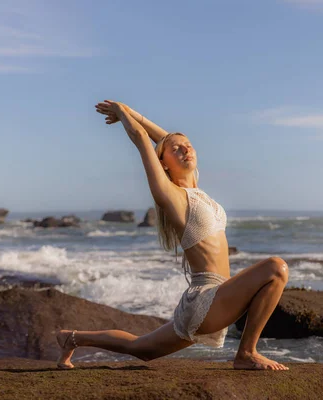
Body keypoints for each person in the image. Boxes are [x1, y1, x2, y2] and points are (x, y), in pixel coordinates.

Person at [56, 100, 289, 371]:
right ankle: (246, 353)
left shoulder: (197, 190)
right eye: (176, 149)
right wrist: (122, 113)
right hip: (207, 299)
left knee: (140, 348)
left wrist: (133, 114)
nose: (185, 149)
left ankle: (70, 338)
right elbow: (144, 139)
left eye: (188, 145)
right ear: (163, 164)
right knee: (276, 268)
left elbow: (165, 141)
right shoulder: (171, 196)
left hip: (218, 298)